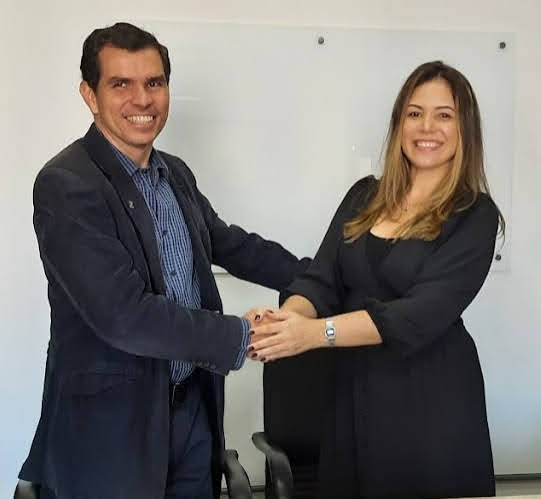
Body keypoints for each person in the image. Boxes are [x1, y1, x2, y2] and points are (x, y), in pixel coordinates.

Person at [18, 22, 308, 499]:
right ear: (90, 95)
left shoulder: (174, 173)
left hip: (192, 413)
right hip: (113, 434)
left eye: (154, 82)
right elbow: (124, 314)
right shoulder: (67, 184)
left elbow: (230, 244)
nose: (142, 99)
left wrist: (320, 275)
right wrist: (241, 334)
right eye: (121, 84)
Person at [249, 61, 503, 498]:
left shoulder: (475, 214)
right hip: (353, 392)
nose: (427, 127)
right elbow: (320, 279)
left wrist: (313, 334)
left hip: (431, 402)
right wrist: (285, 321)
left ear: (465, 129)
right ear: (399, 122)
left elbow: (416, 316)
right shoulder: (364, 195)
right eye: (414, 113)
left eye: (444, 115)